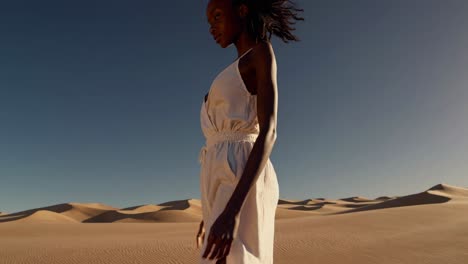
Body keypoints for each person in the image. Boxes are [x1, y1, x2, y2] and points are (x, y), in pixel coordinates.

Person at [196, 0, 304, 263]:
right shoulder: (232, 69)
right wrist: (210, 213)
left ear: (242, 10)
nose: (212, 27)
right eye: (209, 22)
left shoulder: (260, 53)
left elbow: (269, 131)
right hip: (219, 177)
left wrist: (230, 211)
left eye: (218, 16)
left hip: (242, 172)